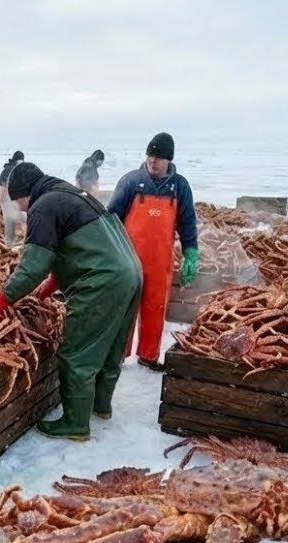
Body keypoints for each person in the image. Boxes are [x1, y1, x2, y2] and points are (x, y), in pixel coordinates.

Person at [0, 162, 142, 441]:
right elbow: (80, 244)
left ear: (25, 192)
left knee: (75, 352)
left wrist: (2, 298)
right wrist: (52, 283)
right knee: (110, 347)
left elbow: (34, 265)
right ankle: (100, 407)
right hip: (130, 272)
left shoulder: (43, 205)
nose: (19, 208)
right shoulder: (73, 194)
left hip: (100, 281)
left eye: (18, 201)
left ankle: (75, 423)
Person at [107, 132, 198, 371]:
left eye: (158, 157)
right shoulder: (130, 181)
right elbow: (110, 218)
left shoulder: (179, 186)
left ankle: (148, 355)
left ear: (168, 159)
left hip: (160, 260)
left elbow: (188, 223)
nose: (152, 161)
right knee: (124, 308)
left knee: (155, 308)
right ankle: (117, 355)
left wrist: (191, 253)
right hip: (127, 258)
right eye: (150, 156)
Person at [0, 150, 26, 246]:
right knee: (25, 223)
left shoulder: (6, 170)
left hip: (7, 201)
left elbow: (1, 193)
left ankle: (9, 247)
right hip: (21, 200)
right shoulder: (24, 169)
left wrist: (1, 204)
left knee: (9, 226)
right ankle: (28, 244)